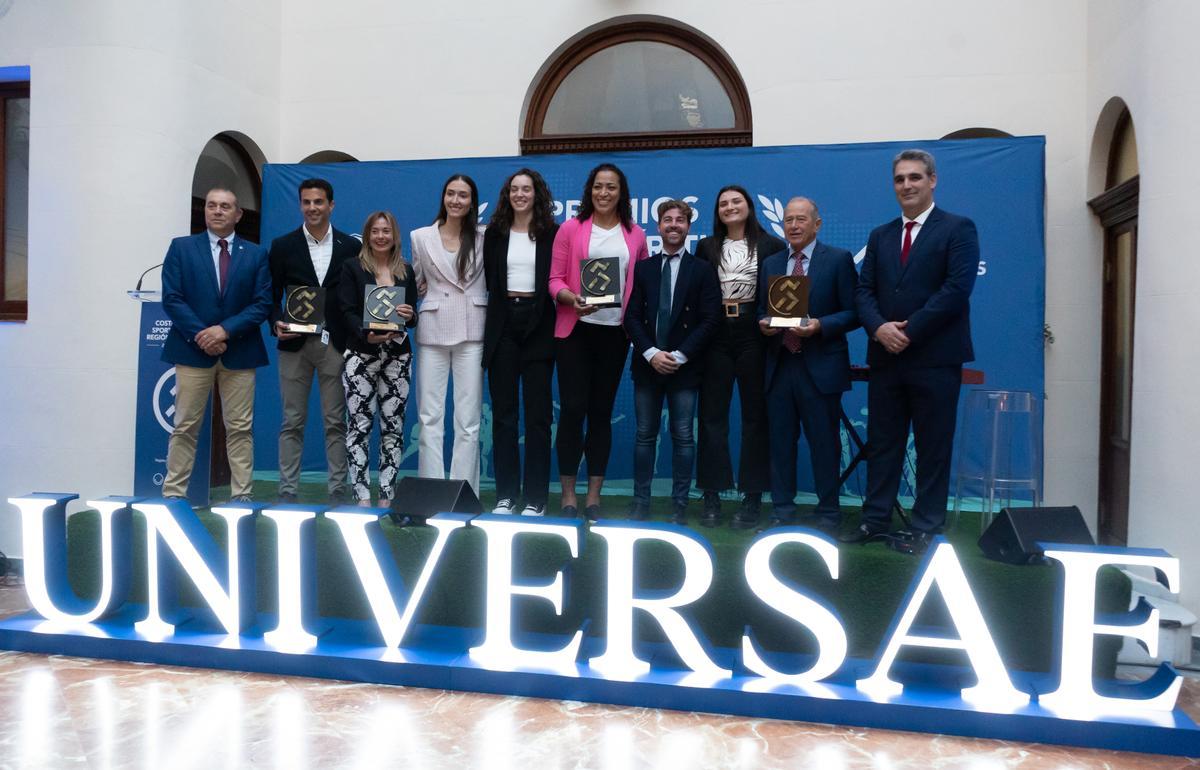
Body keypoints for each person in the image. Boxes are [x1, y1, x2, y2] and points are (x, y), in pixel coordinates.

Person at [846, 149, 980, 555]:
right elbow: (863, 291)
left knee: (932, 447)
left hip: (934, 358)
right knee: (884, 444)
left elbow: (956, 289)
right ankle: (875, 520)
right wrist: (879, 328)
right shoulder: (880, 235)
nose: (907, 185)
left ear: (932, 180)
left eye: (915, 178)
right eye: (900, 179)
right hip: (885, 358)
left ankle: (925, 527)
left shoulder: (958, 228)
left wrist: (910, 330)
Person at [549, 163, 650, 520]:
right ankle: (567, 495)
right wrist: (570, 298)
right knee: (573, 410)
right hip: (575, 330)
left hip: (615, 333)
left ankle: (593, 495)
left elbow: (641, 287)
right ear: (589, 191)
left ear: (621, 193)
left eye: (611, 187)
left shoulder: (635, 235)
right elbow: (554, 279)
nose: (604, 193)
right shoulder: (570, 229)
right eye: (598, 187)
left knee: (601, 414)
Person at [160, 187, 271, 503]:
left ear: (238, 214)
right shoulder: (181, 248)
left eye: (225, 206)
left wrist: (224, 331)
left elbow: (262, 303)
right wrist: (203, 335)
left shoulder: (256, 254)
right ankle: (173, 496)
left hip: (240, 350)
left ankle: (242, 496)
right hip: (192, 350)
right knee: (184, 427)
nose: (217, 211)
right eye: (212, 205)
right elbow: (172, 298)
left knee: (239, 429)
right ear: (205, 211)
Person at [758, 197, 859, 534]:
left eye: (801, 219)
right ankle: (782, 511)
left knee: (824, 444)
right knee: (779, 443)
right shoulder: (771, 262)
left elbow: (854, 312)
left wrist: (820, 325)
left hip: (820, 365)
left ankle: (829, 513)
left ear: (817, 224)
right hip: (780, 364)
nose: (794, 225)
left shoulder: (839, 260)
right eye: (788, 220)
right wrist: (764, 324)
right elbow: (761, 310)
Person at [694, 184, 786, 527]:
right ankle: (712, 495)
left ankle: (752, 497)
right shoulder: (707, 247)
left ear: (749, 206)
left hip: (754, 333)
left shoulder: (772, 245)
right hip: (716, 333)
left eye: (737, 201)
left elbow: (780, 298)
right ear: (717, 212)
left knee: (755, 418)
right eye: (723, 204)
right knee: (711, 417)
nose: (730, 207)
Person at [624, 200, 721, 523]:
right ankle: (641, 502)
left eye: (680, 220)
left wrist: (678, 356)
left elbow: (710, 320)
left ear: (689, 227)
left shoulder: (702, 270)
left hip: (685, 367)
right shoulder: (644, 268)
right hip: (648, 364)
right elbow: (632, 317)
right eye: (668, 220)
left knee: (683, 437)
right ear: (658, 227)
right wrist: (651, 353)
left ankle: (679, 505)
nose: (674, 225)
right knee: (644, 436)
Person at [267, 178, 359, 504]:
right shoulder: (283, 246)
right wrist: (276, 321)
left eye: (318, 202)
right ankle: (287, 491)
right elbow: (271, 295)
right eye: (306, 202)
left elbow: (357, 297)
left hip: (334, 343)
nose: (312, 208)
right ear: (300, 205)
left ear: (331, 205)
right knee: (292, 420)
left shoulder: (351, 247)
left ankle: (338, 490)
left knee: (336, 421)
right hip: (294, 345)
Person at [482, 168, 559, 516]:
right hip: (503, 325)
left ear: (537, 194)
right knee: (504, 416)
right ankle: (507, 495)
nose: (520, 194)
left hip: (540, 323)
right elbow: (490, 282)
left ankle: (536, 498)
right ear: (507, 194)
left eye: (527, 189)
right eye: (514, 189)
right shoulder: (494, 233)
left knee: (539, 418)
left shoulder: (551, 233)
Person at [410, 174, 487, 496]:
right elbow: (414, 281)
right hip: (433, 329)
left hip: (473, 330)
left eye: (463, 195)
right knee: (429, 416)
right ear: (443, 197)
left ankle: (463, 491)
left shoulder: (485, 236)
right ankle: (430, 490)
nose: (456, 200)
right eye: (451, 194)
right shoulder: (420, 237)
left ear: (472, 201)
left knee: (468, 420)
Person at [338, 211, 418, 507]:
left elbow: (412, 316)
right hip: (361, 354)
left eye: (386, 231)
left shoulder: (406, 271)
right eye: (376, 231)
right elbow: (345, 310)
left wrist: (411, 315)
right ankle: (361, 494)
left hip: (398, 355)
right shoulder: (352, 268)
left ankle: (387, 493)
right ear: (367, 235)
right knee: (359, 424)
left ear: (394, 235)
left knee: (393, 426)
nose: (381, 236)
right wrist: (364, 335)